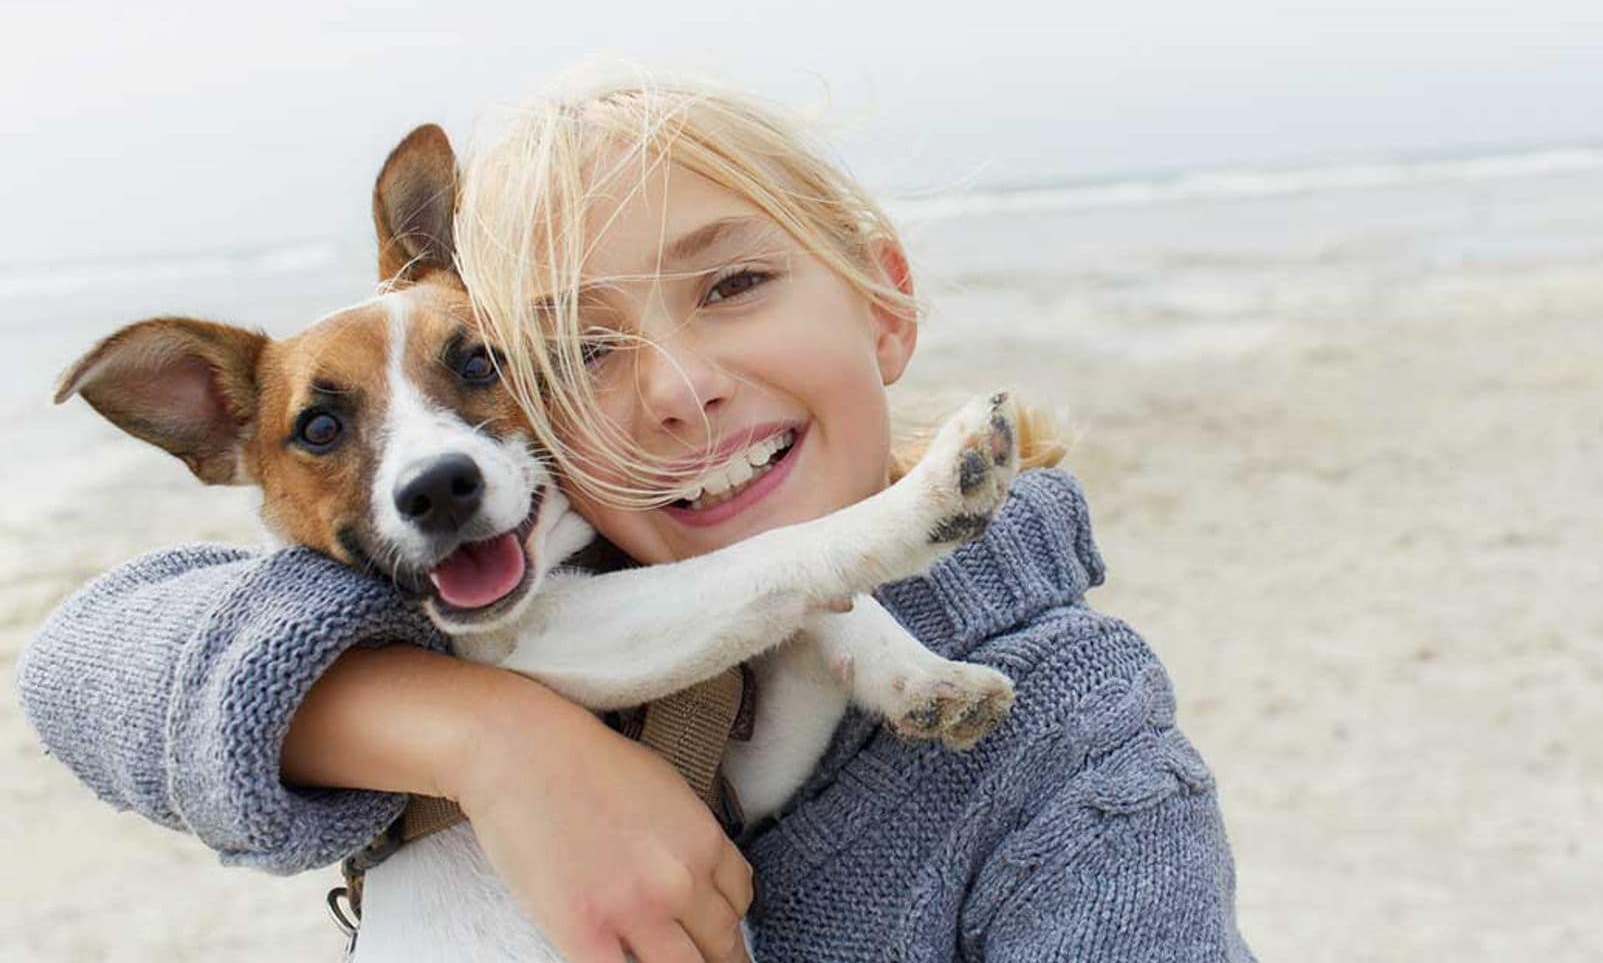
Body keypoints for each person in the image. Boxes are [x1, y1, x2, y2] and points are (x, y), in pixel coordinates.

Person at [17, 72, 1253, 961]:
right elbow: (80, 662)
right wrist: (485, 742)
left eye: (734, 284)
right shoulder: (422, 609)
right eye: (583, 344)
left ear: (885, 301)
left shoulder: (1087, 750)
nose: (677, 385)